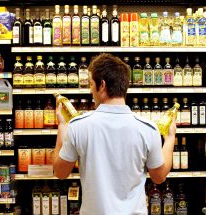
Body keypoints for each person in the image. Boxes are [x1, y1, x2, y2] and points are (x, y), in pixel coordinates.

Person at [53, 53, 176, 215]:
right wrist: (170, 139)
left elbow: (60, 172)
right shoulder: (148, 129)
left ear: (102, 85)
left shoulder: (79, 126)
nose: (91, 91)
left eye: (91, 84)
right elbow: (159, 177)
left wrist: (62, 128)